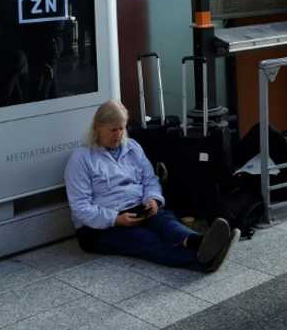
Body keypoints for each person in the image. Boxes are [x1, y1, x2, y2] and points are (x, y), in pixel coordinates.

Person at [64, 100, 238, 271]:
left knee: (166, 223)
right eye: (113, 130)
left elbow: (150, 179)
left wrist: (153, 199)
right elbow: (80, 208)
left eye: (121, 128)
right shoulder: (81, 158)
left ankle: (199, 242)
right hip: (100, 226)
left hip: (137, 208)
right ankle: (205, 260)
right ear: (97, 128)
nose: (118, 134)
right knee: (145, 240)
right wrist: (115, 219)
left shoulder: (132, 147)